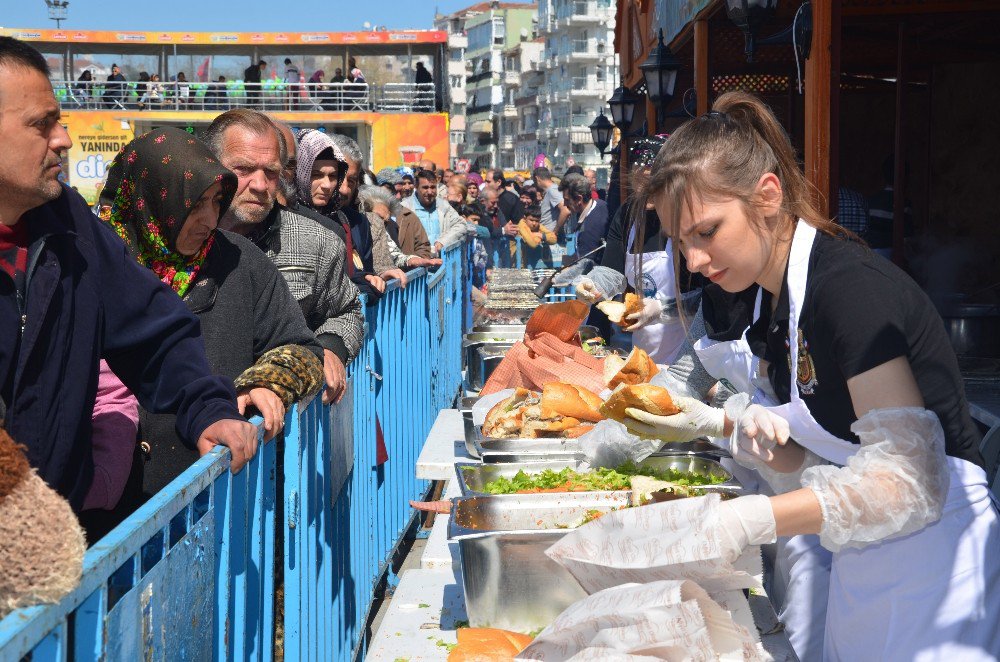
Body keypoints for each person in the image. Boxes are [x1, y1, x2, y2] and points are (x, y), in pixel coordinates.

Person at [622, 92, 1000, 660]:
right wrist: (735, 430)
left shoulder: (848, 290)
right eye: (681, 242)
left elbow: (909, 483)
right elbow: (832, 466)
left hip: (936, 573)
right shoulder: (778, 303)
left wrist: (748, 519)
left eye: (706, 231)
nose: (694, 260)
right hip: (865, 568)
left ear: (767, 196)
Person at [0, 37, 256, 520]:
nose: (63, 139)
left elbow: (154, 329)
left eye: (60, 120)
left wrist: (205, 407)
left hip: (62, 544)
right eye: (41, 125)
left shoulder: (68, 226)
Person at [96, 126, 323, 502]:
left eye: (216, 202)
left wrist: (266, 382)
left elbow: (302, 347)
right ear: (151, 198)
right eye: (193, 203)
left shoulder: (239, 261)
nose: (208, 219)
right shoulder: (89, 262)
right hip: (99, 510)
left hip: (206, 500)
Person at [204, 110, 366, 406]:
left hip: (284, 437)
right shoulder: (182, 240)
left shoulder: (317, 241)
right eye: (243, 169)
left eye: (271, 172)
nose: (260, 185)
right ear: (210, 166)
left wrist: (330, 348)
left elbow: (347, 309)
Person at [575, 136, 701, 364]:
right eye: (641, 184)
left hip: (690, 355)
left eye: (654, 183)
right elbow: (612, 271)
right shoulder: (628, 215)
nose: (648, 193)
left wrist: (661, 309)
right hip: (643, 353)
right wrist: (593, 286)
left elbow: (708, 298)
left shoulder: (688, 218)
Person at [330, 133, 423, 283]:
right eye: (337, 177)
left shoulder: (365, 223)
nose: (344, 189)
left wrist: (383, 275)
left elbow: (379, 266)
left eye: (351, 180)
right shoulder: (300, 221)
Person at [402, 169, 476, 256]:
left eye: (433, 187)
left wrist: (443, 242)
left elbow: (461, 224)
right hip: (415, 265)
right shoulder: (405, 208)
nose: (429, 192)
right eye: (425, 187)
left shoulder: (443, 206)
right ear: (416, 187)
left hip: (441, 264)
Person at [358, 185, 436, 267]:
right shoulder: (355, 230)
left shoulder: (387, 231)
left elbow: (394, 255)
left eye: (385, 222)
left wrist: (410, 260)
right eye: (378, 218)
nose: (381, 225)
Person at [560, 173, 608, 262]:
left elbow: (586, 264)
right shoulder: (599, 205)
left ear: (579, 199)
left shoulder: (591, 225)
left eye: (567, 200)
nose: (564, 204)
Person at [532, 166, 569, 237]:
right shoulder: (551, 190)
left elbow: (565, 210)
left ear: (537, 178)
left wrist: (555, 231)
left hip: (550, 237)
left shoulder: (553, 190)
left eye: (534, 182)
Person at [517, 204, 556, 268]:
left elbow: (554, 239)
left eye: (537, 221)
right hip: (520, 263)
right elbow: (533, 244)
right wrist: (536, 237)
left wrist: (541, 235)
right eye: (531, 220)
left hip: (533, 263)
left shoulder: (539, 226)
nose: (534, 223)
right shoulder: (522, 224)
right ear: (525, 218)